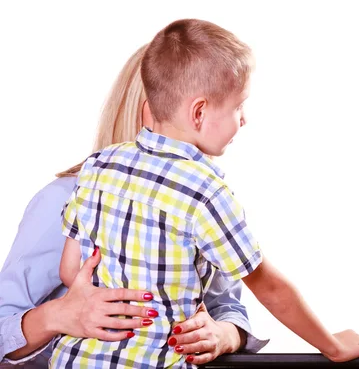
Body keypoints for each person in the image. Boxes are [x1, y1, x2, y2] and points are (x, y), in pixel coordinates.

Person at [51, 18, 359, 368]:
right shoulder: (203, 191)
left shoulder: (100, 165)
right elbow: (269, 287)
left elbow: (71, 269)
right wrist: (332, 346)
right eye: (238, 106)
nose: (243, 119)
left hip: (74, 360)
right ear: (199, 112)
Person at [0, 44, 267, 368]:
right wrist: (58, 316)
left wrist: (224, 335)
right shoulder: (65, 197)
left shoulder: (198, 203)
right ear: (149, 113)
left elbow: (228, 306)